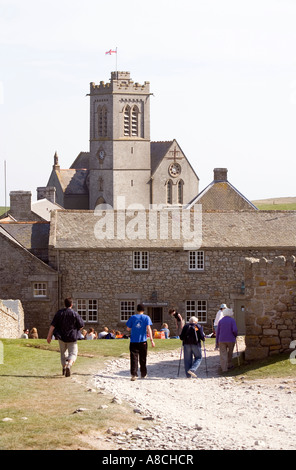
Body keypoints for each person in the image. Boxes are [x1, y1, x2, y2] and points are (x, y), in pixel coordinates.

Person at [47, 297, 84, 377]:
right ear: (71, 304)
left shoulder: (59, 313)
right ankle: (69, 365)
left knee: (63, 353)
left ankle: (64, 367)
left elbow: (52, 326)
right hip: (72, 336)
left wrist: (49, 336)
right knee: (73, 353)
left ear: (65, 304)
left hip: (61, 336)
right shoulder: (74, 314)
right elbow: (81, 325)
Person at [126, 304, 155, 381]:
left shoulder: (132, 317)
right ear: (143, 310)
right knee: (143, 358)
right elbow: (149, 329)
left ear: (137, 310)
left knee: (134, 358)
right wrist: (152, 340)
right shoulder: (146, 318)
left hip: (133, 341)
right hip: (143, 341)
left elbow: (128, 329)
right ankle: (143, 373)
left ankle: (134, 374)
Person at [216, 308, 238, 372]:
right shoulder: (232, 320)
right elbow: (235, 330)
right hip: (231, 339)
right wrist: (235, 335)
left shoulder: (220, 321)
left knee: (223, 354)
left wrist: (217, 341)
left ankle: (224, 369)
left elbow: (218, 332)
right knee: (230, 353)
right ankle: (229, 365)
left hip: (222, 339)